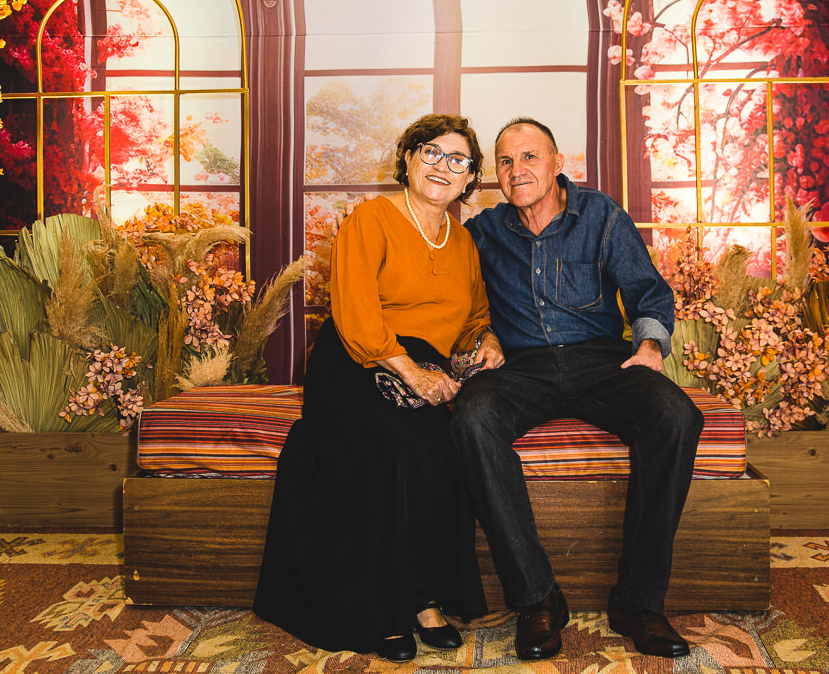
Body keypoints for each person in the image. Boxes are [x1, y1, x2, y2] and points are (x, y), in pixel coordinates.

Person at [254, 114, 505, 661]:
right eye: (430, 152)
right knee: (399, 444)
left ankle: (425, 597)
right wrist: (411, 372)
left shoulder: (463, 241)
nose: (442, 166)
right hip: (355, 360)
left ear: (469, 179)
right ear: (408, 159)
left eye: (457, 160)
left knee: (450, 442)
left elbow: (474, 316)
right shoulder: (369, 219)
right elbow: (356, 314)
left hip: (425, 364)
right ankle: (386, 605)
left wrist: (486, 339)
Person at [452, 117, 704, 660]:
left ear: (557, 162)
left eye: (530, 157)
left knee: (677, 415)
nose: (517, 170)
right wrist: (483, 335)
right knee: (470, 416)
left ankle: (638, 602)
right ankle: (536, 598)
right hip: (522, 367)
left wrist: (650, 346)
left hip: (600, 361)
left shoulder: (601, 215)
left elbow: (648, 292)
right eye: (506, 161)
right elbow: (459, 303)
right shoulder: (483, 231)